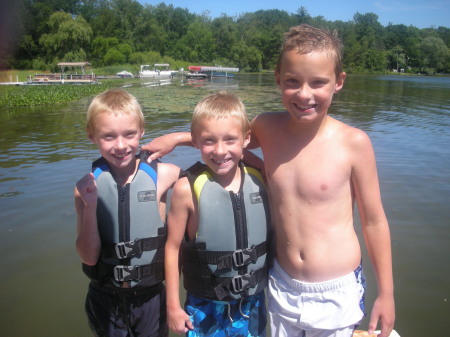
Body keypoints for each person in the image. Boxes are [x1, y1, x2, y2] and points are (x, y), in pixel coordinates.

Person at [143, 24, 395, 337]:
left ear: (338, 82)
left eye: (318, 82)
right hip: (280, 283)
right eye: (293, 82)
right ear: (278, 78)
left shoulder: (354, 143)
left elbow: (374, 222)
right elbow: (225, 143)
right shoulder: (266, 127)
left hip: (336, 289)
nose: (304, 94)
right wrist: (177, 139)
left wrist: (387, 293)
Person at [74, 88, 181, 337]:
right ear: (92, 136)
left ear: (141, 132)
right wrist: (90, 207)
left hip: (151, 297)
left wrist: (177, 138)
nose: (121, 145)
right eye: (108, 137)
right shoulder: (85, 188)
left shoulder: (164, 175)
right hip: (105, 298)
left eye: (129, 134)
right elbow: (89, 258)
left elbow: (219, 155)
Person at [164, 91, 271, 337]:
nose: (220, 151)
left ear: (246, 139)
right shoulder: (185, 189)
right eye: (209, 141)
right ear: (196, 141)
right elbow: (172, 248)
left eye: (230, 140)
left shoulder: (260, 179)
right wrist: (172, 305)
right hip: (205, 306)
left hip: (253, 303)